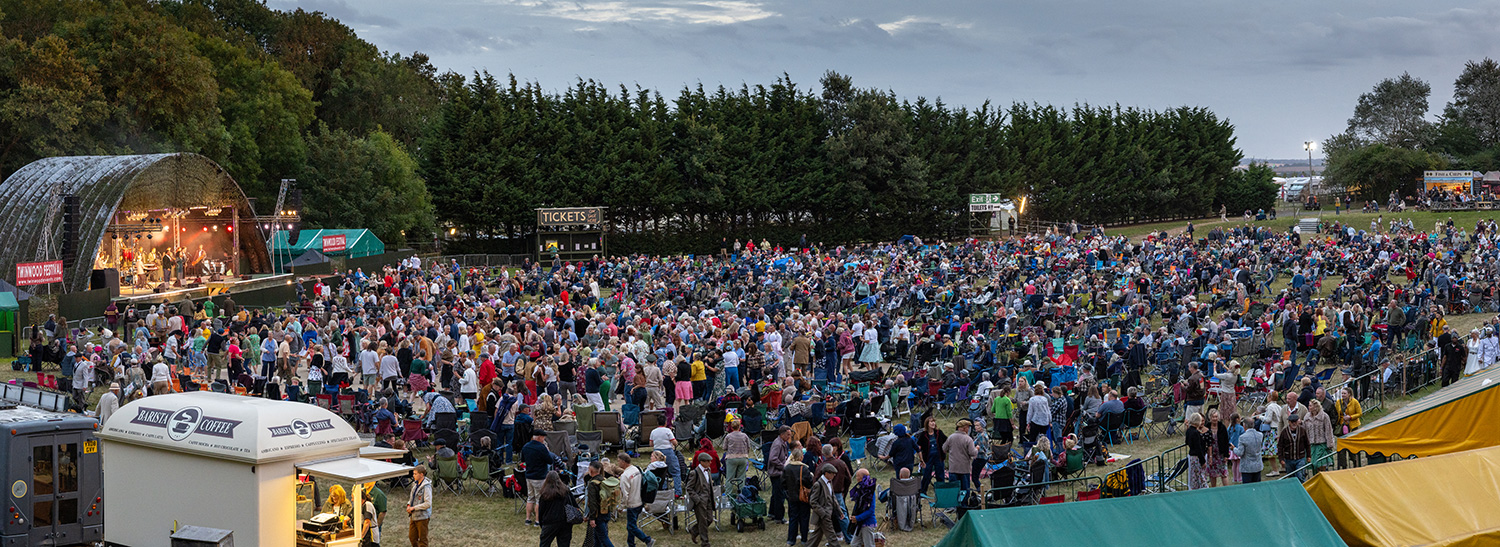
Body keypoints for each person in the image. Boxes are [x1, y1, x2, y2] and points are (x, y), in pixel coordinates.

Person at [522, 429, 561, 526]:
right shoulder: (542, 448)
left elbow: (523, 460)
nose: (544, 439)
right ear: (539, 437)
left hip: (529, 476)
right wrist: (547, 452)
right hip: (539, 476)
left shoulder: (526, 446)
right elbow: (549, 461)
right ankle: (537, 520)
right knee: (539, 499)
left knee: (530, 498)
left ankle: (527, 519)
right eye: (543, 437)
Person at [617, 453, 655, 547]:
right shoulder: (636, 469)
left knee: (631, 526)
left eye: (618, 461)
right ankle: (631, 544)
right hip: (640, 501)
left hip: (632, 504)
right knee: (632, 525)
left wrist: (621, 506)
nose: (617, 463)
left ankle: (648, 540)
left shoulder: (625, 476)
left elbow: (625, 494)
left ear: (623, 461)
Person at [538, 470, 578, 547]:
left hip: (549, 522)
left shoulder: (544, 494)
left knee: (544, 544)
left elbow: (541, 511)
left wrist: (541, 524)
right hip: (565, 522)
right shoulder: (566, 491)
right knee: (564, 544)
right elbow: (575, 505)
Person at [783, 447, 813, 547]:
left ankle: (791, 539)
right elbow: (809, 482)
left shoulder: (787, 468)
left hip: (791, 496)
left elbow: (782, 483)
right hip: (803, 497)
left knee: (793, 518)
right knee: (804, 518)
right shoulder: (803, 468)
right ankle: (804, 539)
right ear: (800, 457)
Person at [808, 463, 842, 547]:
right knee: (832, 536)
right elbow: (813, 501)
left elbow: (832, 497)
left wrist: (839, 511)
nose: (834, 475)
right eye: (832, 473)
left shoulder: (829, 482)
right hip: (824, 515)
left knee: (816, 535)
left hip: (828, 513)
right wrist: (823, 513)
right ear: (826, 473)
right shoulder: (818, 484)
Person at [583, 460, 614, 547]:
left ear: (591, 470)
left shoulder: (592, 484)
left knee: (603, 538)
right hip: (606, 512)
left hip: (598, 515)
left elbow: (592, 503)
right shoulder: (604, 480)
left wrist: (592, 518)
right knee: (597, 538)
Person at [943, 419, 979, 494]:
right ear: (964, 428)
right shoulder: (968, 439)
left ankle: (954, 504)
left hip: (953, 468)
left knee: (954, 490)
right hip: (964, 469)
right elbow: (972, 453)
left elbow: (944, 449)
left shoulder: (951, 437)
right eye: (968, 427)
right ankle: (964, 505)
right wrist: (977, 449)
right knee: (965, 490)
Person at [687, 453, 714, 547]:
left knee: (710, 519)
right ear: (702, 462)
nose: (710, 463)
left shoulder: (708, 470)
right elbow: (689, 488)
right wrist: (697, 499)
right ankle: (705, 542)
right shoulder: (694, 473)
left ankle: (694, 530)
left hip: (709, 499)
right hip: (700, 501)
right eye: (708, 461)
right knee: (702, 521)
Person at [650, 423, 684, 497]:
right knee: (676, 472)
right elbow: (675, 443)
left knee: (661, 472)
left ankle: (663, 489)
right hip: (668, 451)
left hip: (657, 452)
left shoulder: (653, 431)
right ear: (665, 423)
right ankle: (677, 492)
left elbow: (651, 444)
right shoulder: (668, 431)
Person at [766, 425, 792, 523]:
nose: (789, 437)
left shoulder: (783, 443)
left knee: (775, 494)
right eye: (788, 435)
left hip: (777, 472)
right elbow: (772, 458)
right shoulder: (777, 444)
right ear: (782, 434)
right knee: (780, 496)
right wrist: (783, 467)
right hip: (776, 473)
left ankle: (772, 512)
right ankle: (779, 517)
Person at [847, 469, 878, 547]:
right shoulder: (861, 490)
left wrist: (858, 518)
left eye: (857, 476)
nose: (856, 478)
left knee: (869, 545)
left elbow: (871, 510)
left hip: (867, 523)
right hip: (860, 523)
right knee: (854, 544)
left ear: (861, 478)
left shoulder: (869, 492)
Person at [1278, 413, 1311, 482]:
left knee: (1300, 476)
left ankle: (1303, 491)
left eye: (1295, 422)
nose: (1294, 424)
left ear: (1298, 422)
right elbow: (1280, 446)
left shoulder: (1302, 430)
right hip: (1288, 459)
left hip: (1300, 458)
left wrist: (1308, 456)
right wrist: (1281, 458)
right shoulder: (1284, 432)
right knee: (1291, 478)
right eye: (1292, 422)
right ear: (1289, 422)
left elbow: (1307, 444)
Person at [405, 465, 432, 547]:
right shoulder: (415, 484)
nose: (413, 475)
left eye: (415, 474)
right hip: (413, 515)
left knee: (422, 539)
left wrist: (414, 508)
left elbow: (428, 503)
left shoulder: (426, 487)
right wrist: (409, 505)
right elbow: (412, 498)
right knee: (412, 537)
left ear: (421, 474)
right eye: (413, 474)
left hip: (422, 517)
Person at [723, 420, 753, 489]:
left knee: (729, 478)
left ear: (731, 427)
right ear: (739, 426)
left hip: (731, 458)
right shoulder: (744, 436)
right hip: (743, 458)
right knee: (742, 477)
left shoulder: (728, 436)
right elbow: (748, 447)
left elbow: (724, 448)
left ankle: (728, 494)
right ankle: (742, 494)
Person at [1233, 416, 1264, 483]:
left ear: (1244, 426)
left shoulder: (1242, 437)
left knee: (1248, 488)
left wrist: (1234, 449)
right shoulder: (1260, 435)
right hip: (1258, 465)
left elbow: (1240, 453)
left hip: (1247, 467)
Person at [1184, 412, 1208, 490]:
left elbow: (1186, 442)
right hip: (1197, 457)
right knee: (1201, 476)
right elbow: (1198, 448)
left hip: (1191, 457)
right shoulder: (1196, 433)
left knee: (1194, 476)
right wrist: (1203, 461)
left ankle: (1194, 489)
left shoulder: (1188, 431)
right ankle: (1205, 490)